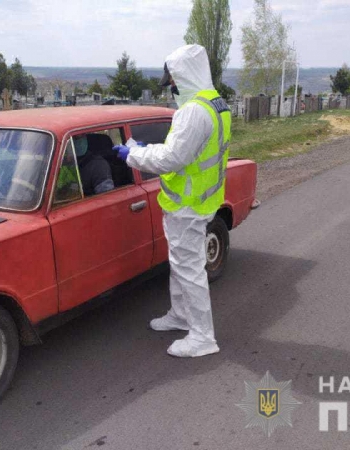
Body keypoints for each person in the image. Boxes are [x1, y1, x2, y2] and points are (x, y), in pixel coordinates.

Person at [113, 44, 231, 357]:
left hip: (188, 205)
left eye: (174, 83)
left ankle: (202, 336)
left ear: (185, 78)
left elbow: (172, 158)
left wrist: (133, 154)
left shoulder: (193, 111)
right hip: (199, 201)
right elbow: (190, 151)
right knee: (180, 264)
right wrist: (145, 148)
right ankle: (180, 315)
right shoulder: (215, 104)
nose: (172, 90)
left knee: (189, 269)